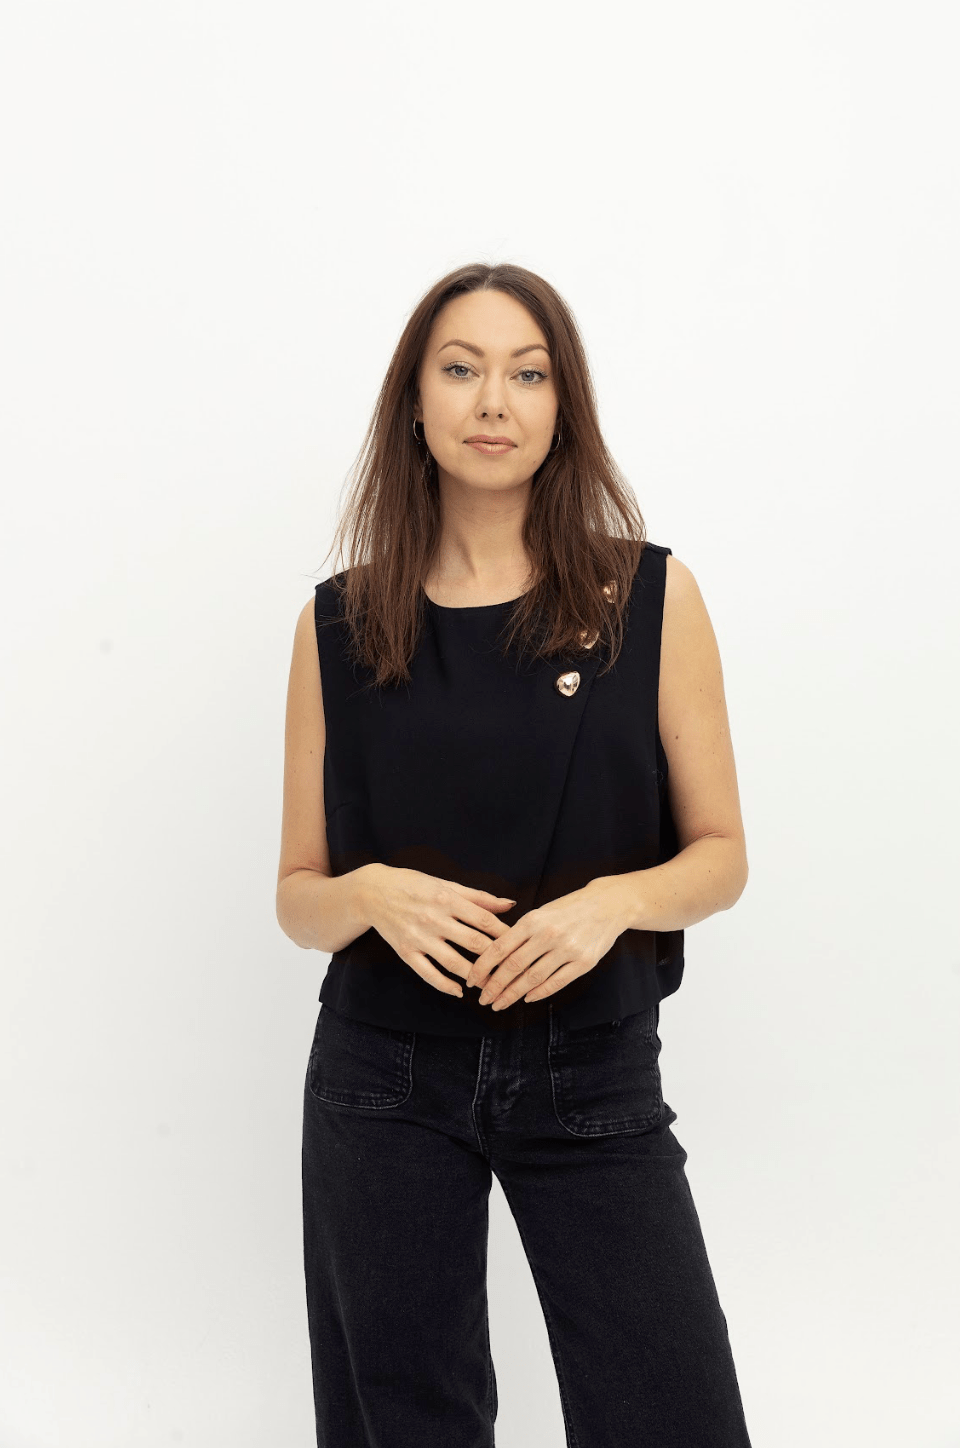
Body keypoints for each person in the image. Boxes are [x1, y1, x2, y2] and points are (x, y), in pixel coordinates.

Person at [277, 262, 753, 1447]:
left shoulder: (648, 594)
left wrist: (611, 903)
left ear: (561, 405)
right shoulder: (339, 622)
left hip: (591, 1068)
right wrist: (369, 893)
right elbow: (297, 896)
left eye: (528, 373)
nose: (494, 399)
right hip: (382, 1075)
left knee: (673, 1411)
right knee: (403, 1421)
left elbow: (722, 854)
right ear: (416, 401)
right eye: (462, 368)